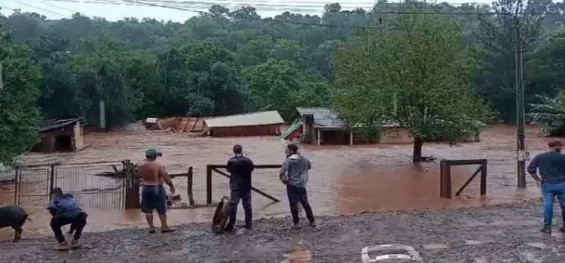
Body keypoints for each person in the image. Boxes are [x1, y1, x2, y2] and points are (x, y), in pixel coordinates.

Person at [527, 139, 565, 234]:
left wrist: (537, 180)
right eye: (561, 146)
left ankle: (547, 227)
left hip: (547, 184)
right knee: (564, 205)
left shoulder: (540, 157)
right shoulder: (563, 157)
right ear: (557, 146)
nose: (562, 148)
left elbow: (531, 169)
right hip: (562, 184)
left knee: (548, 206)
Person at [137, 148, 175, 233]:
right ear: (154, 156)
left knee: (148, 209)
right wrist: (171, 185)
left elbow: (139, 172)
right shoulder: (159, 166)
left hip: (146, 187)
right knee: (161, 209)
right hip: (157, 187)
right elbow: (165, 176)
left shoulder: (140, 165)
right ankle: (164, 227)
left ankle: (151, 227)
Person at [280, 143, 316, 228]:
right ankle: (312, 221)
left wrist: (284, 180)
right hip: (302, 185)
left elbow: (282, 172)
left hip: (292, 185)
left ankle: (296, 223)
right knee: (305, 203)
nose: (286, 152)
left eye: (287, 150)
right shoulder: (304, 159)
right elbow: (309, 166)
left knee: (293, 204)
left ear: (291, 151)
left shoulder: (288, 161)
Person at [225, 144, 255, 231]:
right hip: (246, 186)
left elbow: (229, 170)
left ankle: (231, 224)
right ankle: (248, 224)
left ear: (234, 151)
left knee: (233, 206)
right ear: (241, 150)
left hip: (236, 186)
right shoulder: (248, 160)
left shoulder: (231, 161)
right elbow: (252, 168)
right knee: (247, 205)